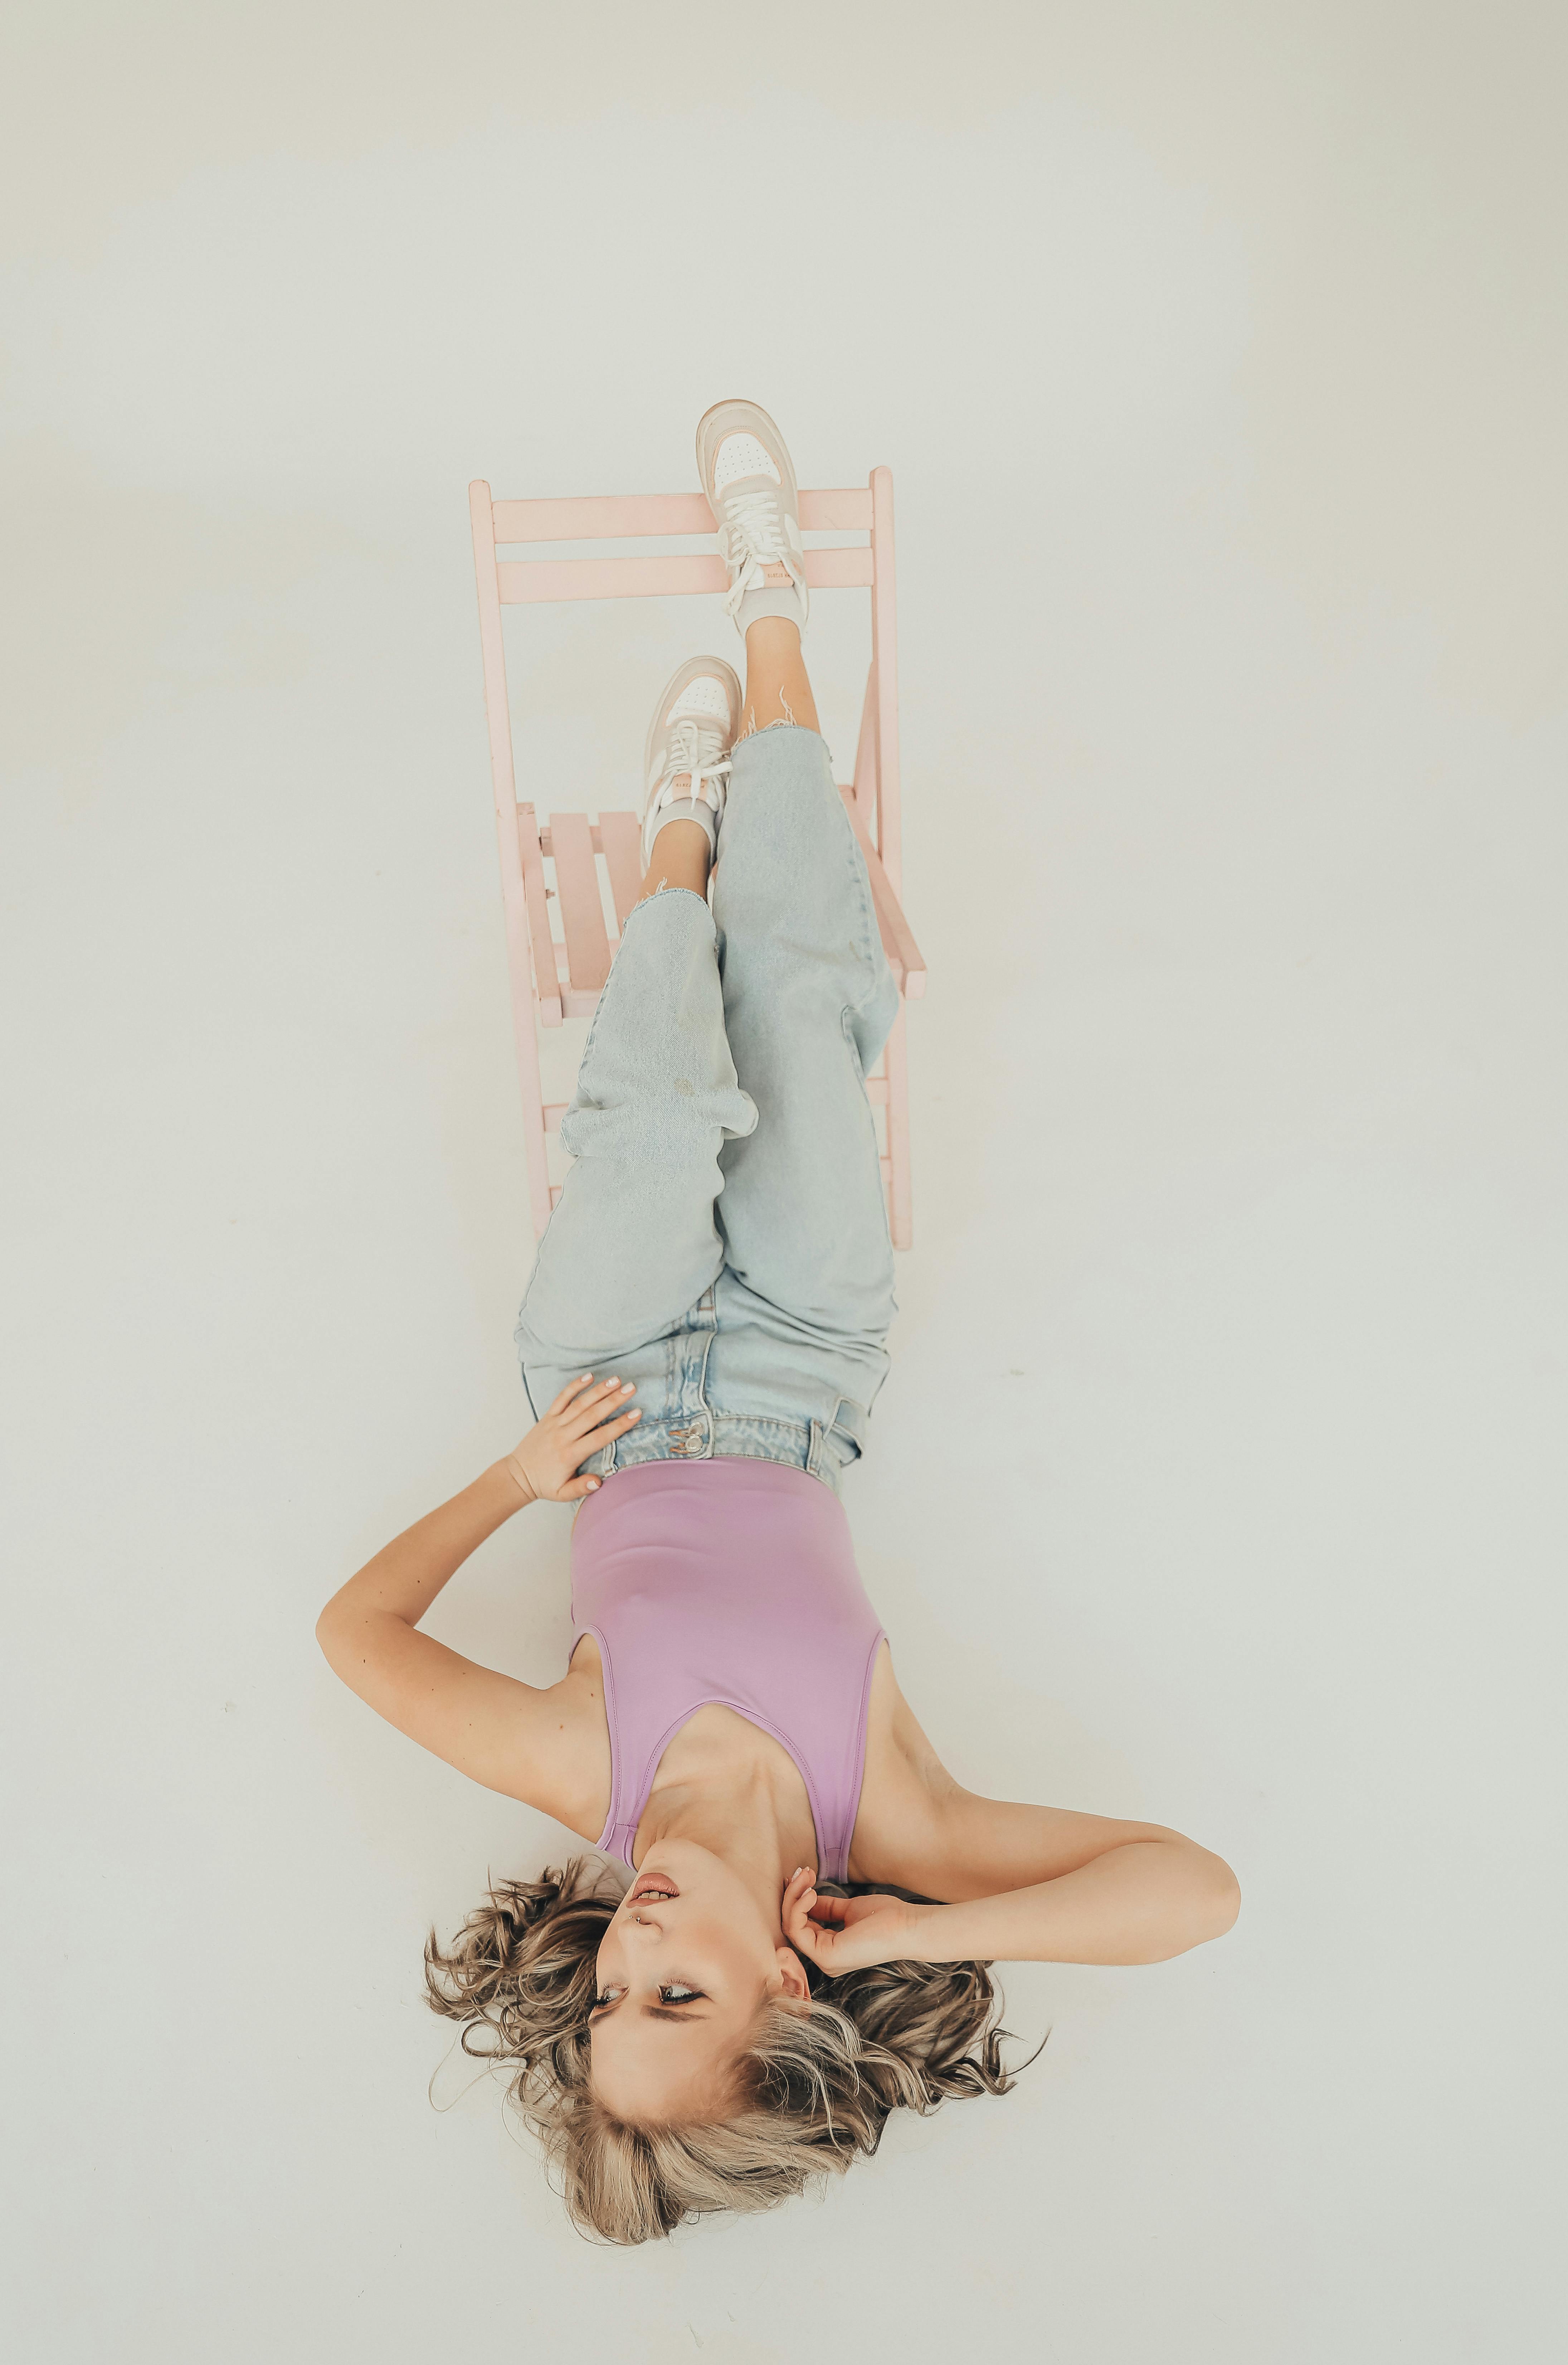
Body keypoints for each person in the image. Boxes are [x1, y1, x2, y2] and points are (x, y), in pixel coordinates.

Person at [317, 400, 1240, 2245]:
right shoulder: (886, 1822)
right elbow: (1192, 1894)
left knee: (661, 1119)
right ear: (786, 1994)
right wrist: (935, 1923)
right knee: (808, 1018)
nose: (632, 1950)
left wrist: (515, 1476)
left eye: (606, 1997)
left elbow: (356, 1635)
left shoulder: (595, 1779)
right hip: (810, 1371)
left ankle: (676, 836)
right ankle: (770, 609)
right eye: (682, 1998)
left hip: (617, 1386)